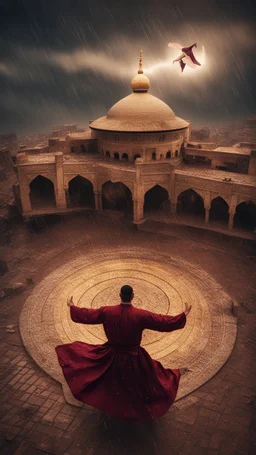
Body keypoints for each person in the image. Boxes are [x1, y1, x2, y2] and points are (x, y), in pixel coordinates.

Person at [55, 285, 192, 421]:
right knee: (147, 380)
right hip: (134, 357)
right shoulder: (141, 315)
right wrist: (183, 315)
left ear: (120, 295)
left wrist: (72, 306)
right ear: (132, 296)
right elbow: (163, 322)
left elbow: (88, 315)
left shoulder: (107, 311)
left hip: (111, 355)